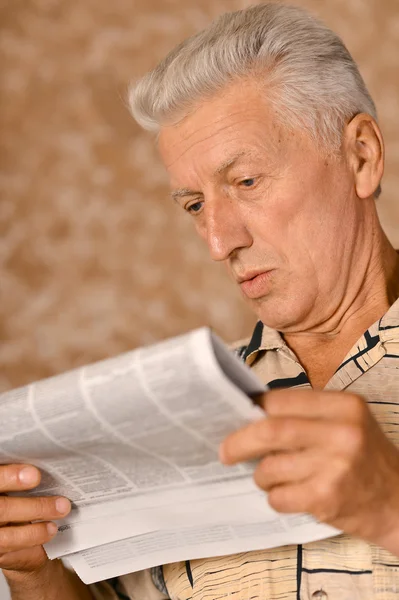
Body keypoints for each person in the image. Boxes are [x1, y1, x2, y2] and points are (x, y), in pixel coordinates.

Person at [2, 3, 399, 599]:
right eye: (194, 205)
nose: (218, 242)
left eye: (246, 182)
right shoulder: (175, 411)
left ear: (361, 155)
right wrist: (35, 574)